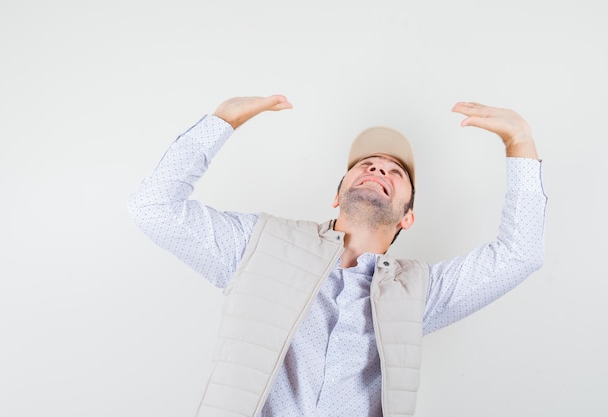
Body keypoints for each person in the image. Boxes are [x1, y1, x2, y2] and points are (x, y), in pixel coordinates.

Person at [127, 95, 546, 417]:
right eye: (366, 165)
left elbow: (518, 255)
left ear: (407, 217)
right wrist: (223, 119)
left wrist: (520, 143)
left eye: (395, 173)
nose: (380, 170)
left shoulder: (421, 291)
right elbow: (153, 208)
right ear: (337, 194)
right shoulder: (257, 244)